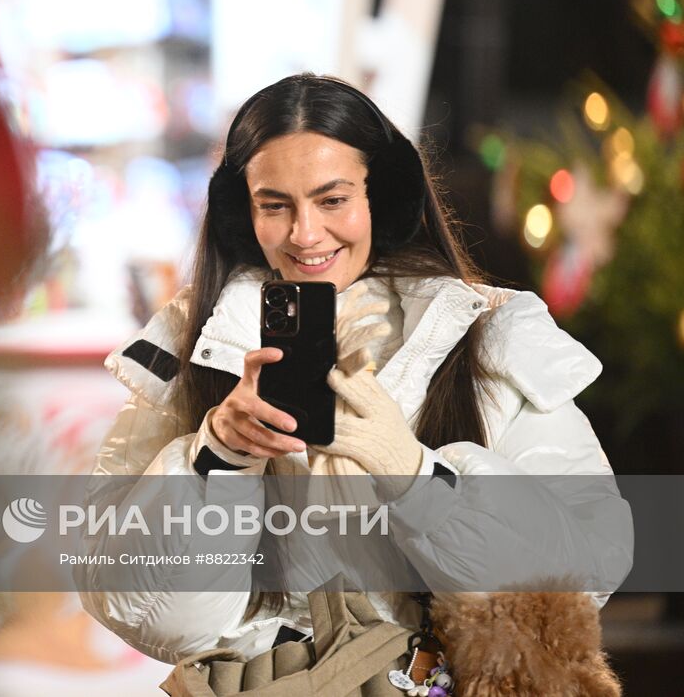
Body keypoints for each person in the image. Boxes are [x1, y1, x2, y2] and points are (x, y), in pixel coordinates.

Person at [78, 73, 632, 665]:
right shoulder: (191, 348)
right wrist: (217, 459)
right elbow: (143, 616)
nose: (305, 234)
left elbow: (585, 576)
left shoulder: (485, 336)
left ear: (384, 200)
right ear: (245, 213)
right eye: (275, 205)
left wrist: (417, 478)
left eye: (332, 199)